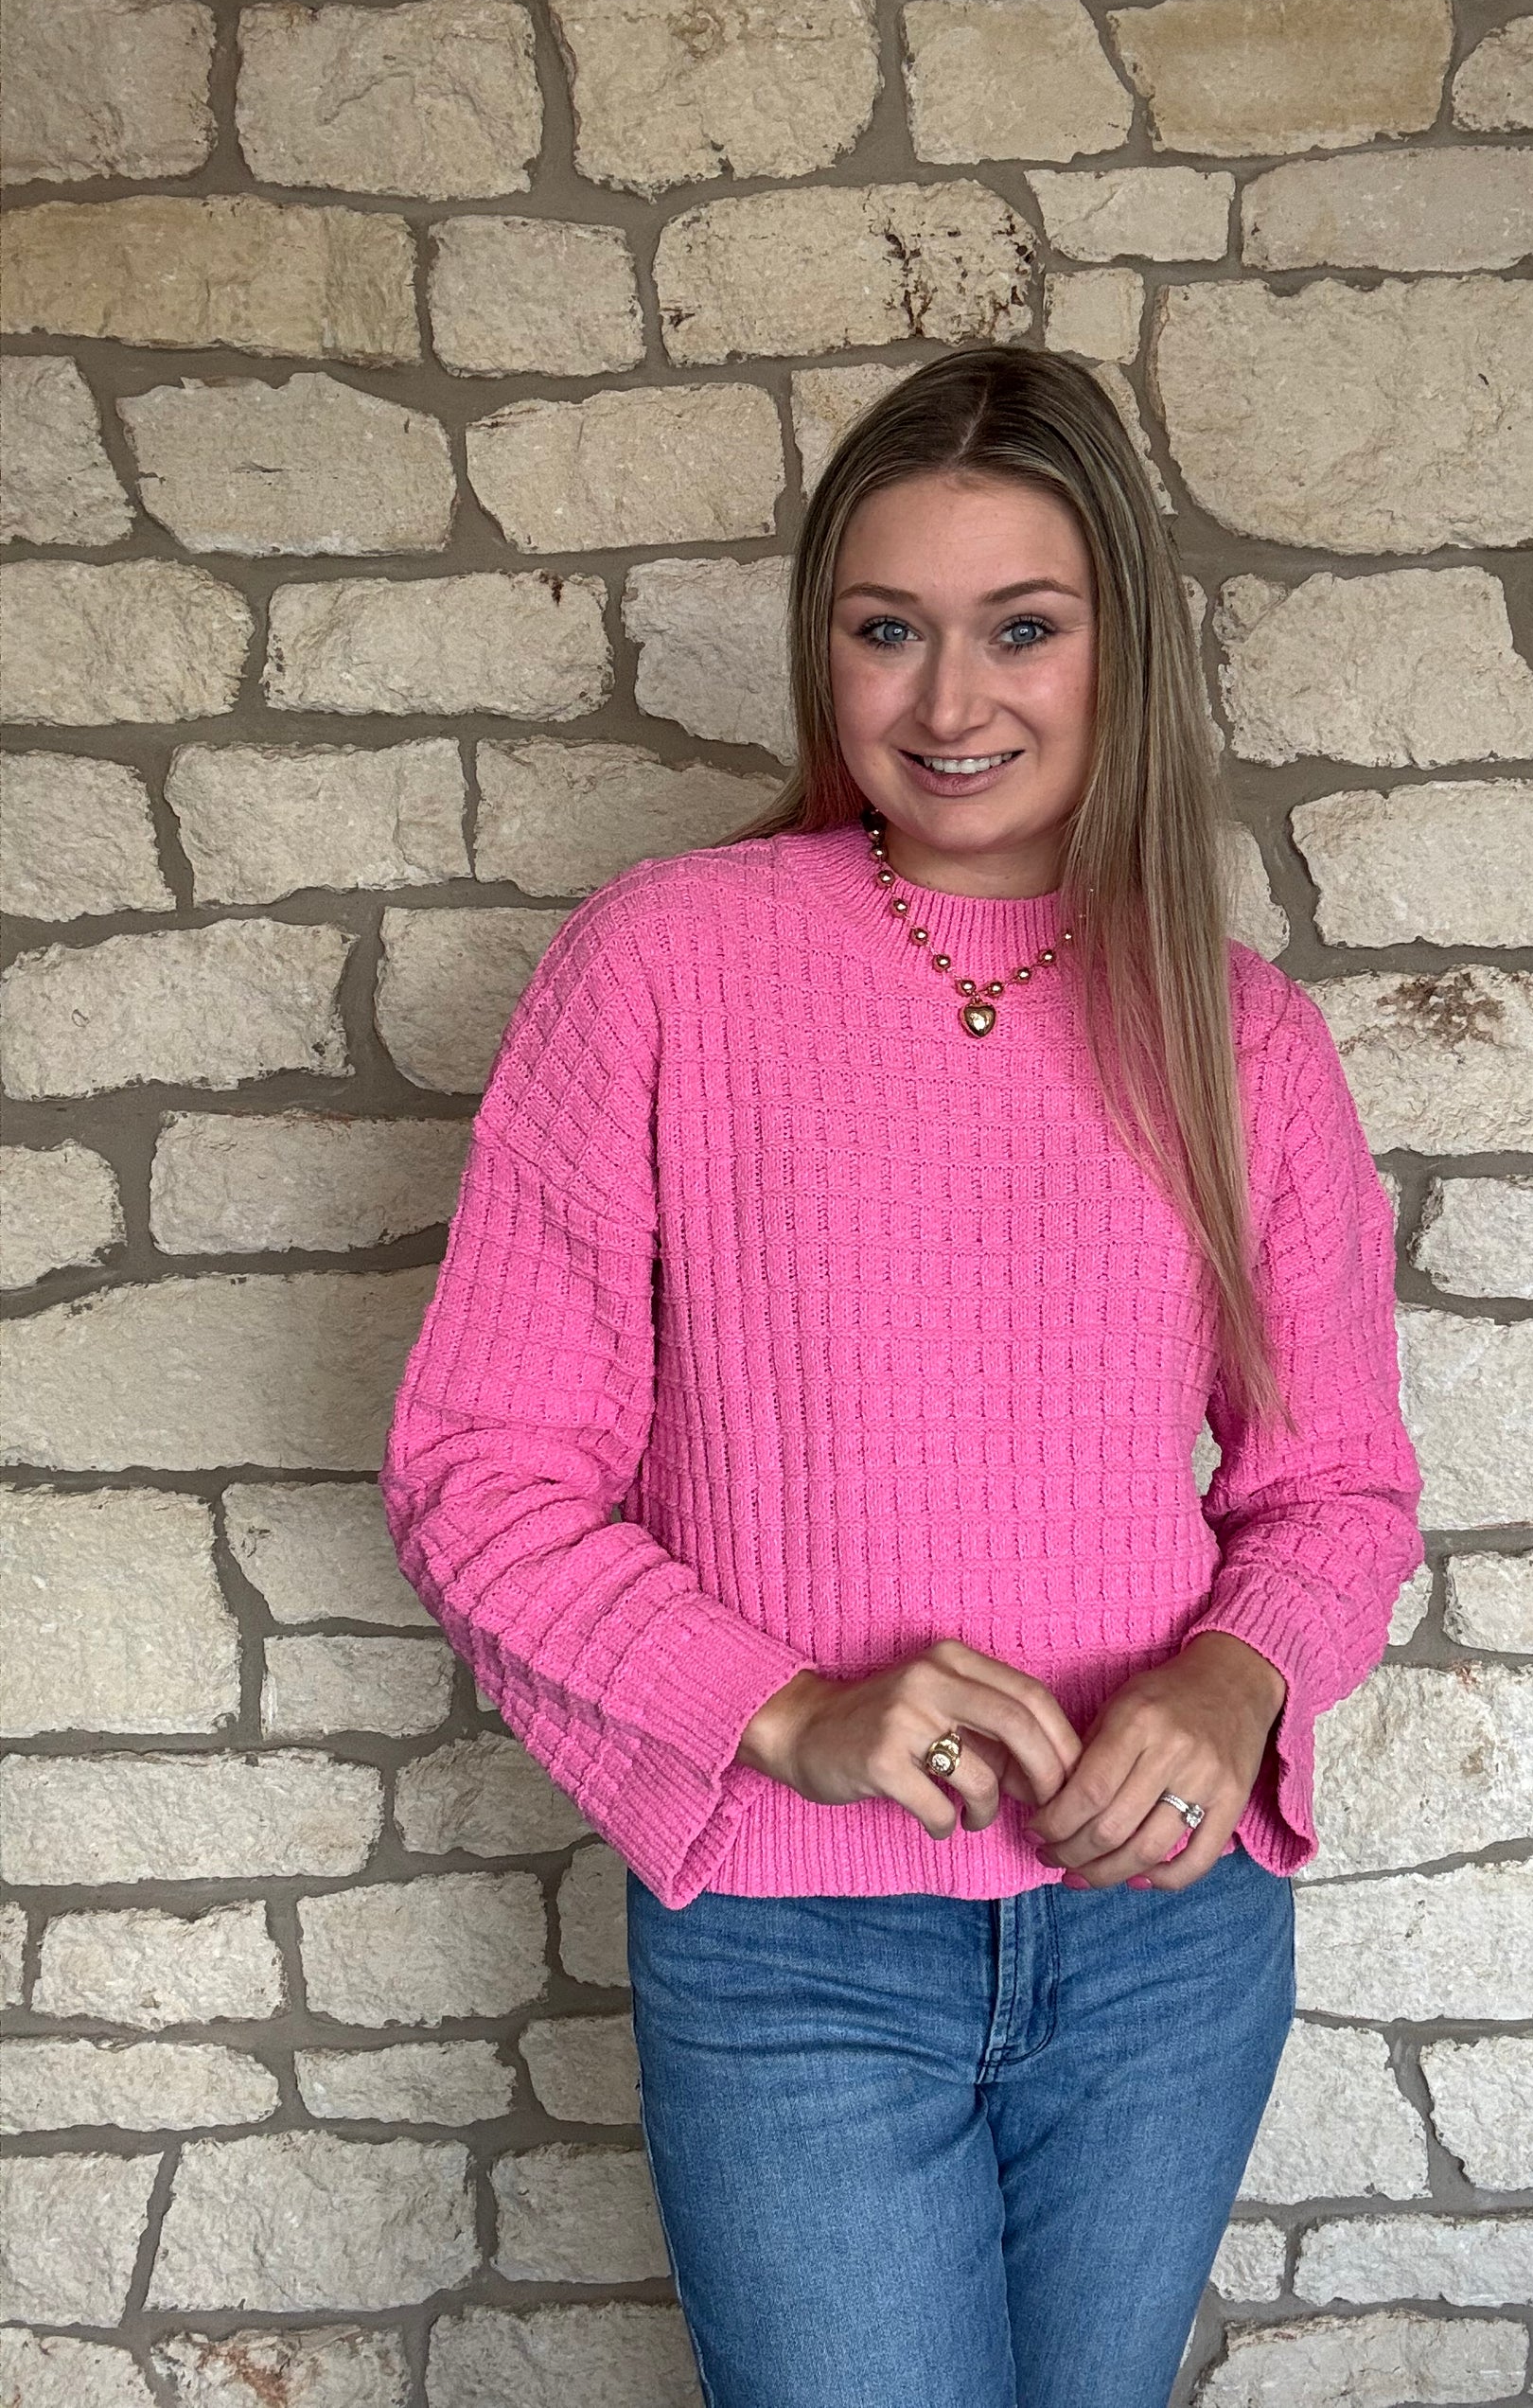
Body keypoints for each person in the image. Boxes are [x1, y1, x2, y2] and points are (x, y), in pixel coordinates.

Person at [379, 345, 1423, 2408]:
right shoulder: (664, 963)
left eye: (1021, 628)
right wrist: (785, 1706)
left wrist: (1233, 1681)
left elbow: (1336, 1491)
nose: (949, 704)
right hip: (793, 1947)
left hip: (1164, 1944)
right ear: (821, 649)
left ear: (1122, 654)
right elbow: (476, 1472)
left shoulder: (1239, 1033)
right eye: (887, 630)